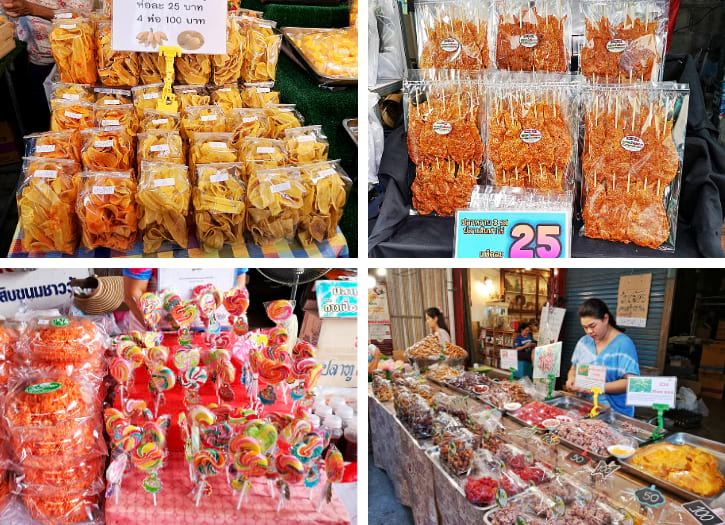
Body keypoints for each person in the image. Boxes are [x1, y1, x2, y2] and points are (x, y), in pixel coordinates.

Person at [0, 0, 94, 132]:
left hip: (77, 61)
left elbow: (84, 17)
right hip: (38, 60)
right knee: (46, 123)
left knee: (80, 121)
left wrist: (32, 9)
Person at [565, 298, 640, 417]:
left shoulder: (624, 344)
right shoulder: (584, 342)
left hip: (614, 413)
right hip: (584, 408)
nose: (589, 331)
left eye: (592, 326)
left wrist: (597, 387)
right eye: (585, 327)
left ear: (605, 319)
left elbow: (631, 383)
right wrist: (571, 379)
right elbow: (573, 369)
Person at [122, 268, 249, 331]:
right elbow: (133, 293)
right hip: (160, 328)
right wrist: (153, 329)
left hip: (217, 327)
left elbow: (238, 280)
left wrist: (230, 313)